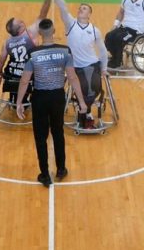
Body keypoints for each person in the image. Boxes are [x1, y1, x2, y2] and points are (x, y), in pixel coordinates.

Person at [15, 18, 90, 187]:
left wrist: (19, 102)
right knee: (58, 133)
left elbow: (25, 80)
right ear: (54, 31)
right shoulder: (65, 51)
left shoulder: (33, 53)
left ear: (40, 33)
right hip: (57, 97)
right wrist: (82, 102)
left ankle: (44, 174)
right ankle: (61, 169)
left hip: (40, 98)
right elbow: (72, 77)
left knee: (40, 137)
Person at [52, 0, 108, 128]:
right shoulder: (71, 24)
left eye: (84, 8)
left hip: (92, 64)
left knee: (94, 87)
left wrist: (104, 68)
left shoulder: (95, 30)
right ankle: (86, 114)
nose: (80, 10)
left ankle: (85, 112)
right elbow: (63, 9)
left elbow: (102, 51)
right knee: (83, 87)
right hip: (75, 66)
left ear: (89, 14)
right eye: (79, 8)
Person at [0, 0, 54, 84]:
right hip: (29, 74)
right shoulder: (30, 34)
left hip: (12, 73)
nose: (22, 21)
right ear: (19, 29)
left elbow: (2, 59)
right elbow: (43, 14)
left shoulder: (7, 42)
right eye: (21, 22)